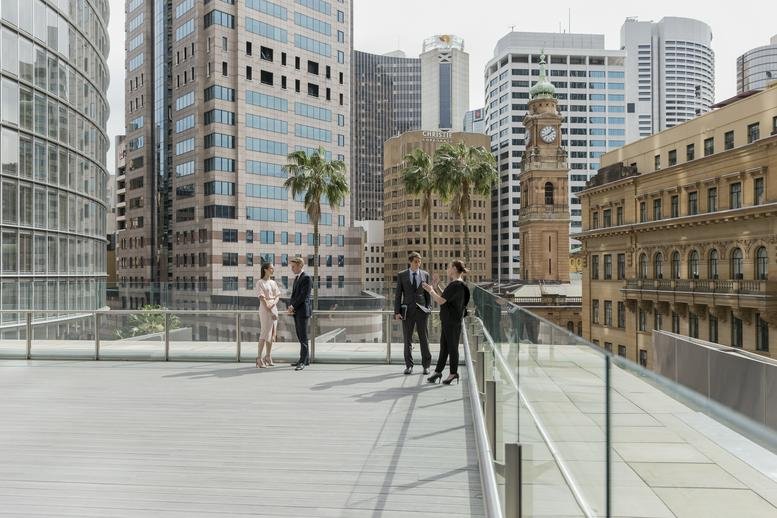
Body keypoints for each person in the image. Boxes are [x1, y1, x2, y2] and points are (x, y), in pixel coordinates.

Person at [422, 260, 471, 385]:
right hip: (450, 320)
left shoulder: (456, 285)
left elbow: (441, 301)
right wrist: (437, 286)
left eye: (448, 267)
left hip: (452, 321)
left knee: (452, 347)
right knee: (444, 347)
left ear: (454, 268)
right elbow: (446, 298)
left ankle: (453, 373)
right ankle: (438, 371)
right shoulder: (457, 285)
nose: (447, 269)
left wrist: (430, 290)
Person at [394, 252, 432, 375]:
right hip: (407, 312)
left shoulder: (425, 274)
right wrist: (397, 312)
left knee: (424, 339)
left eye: (419, 261)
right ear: (410, 262)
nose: (418, 263)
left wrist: (429, 308)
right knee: (407, 340)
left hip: (422, 311)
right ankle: (409, 366)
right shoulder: (402, 275)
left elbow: (427, 293)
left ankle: (426, 366)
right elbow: (398, 294)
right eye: (416, 261)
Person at [287, 256, 312, 371]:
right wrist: (291, 307)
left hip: (302, 312)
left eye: (293, 266)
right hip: (297, 311)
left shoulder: (306, 278)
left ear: (300, 266)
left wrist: (293, 306)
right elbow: (294, 295)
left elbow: (303, 296)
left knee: (303, 337)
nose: (292, 269)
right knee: (300, 336)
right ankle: (304, 360)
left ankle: (303, 361)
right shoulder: (297, 278)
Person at [256, 262, 280, 368]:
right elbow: (261, 297)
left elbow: (277, 295)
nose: (272, 270)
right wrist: (269, 307)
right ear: (265, 269)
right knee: (264, 333)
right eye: (271, 268)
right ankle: (259, 358)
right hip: (265, 308)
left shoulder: (273, 282)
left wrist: (273, 305)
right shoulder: (260, 282)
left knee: (271, 334)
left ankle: (268, 356)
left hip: (273, 307)